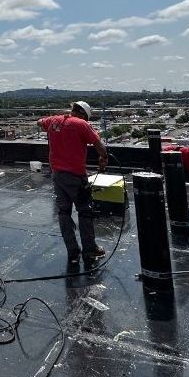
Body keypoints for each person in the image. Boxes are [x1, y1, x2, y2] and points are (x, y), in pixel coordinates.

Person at [38, 101, 110, 264]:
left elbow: (40, 122)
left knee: (64, 212)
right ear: (84, 114)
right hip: (76, 176)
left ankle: (72, 253)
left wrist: (54, 121)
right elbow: (100, 147)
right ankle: (90, 251)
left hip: (57, 175)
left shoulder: (54, 120)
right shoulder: (82, 124)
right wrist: (103, 158)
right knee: (84, 211)